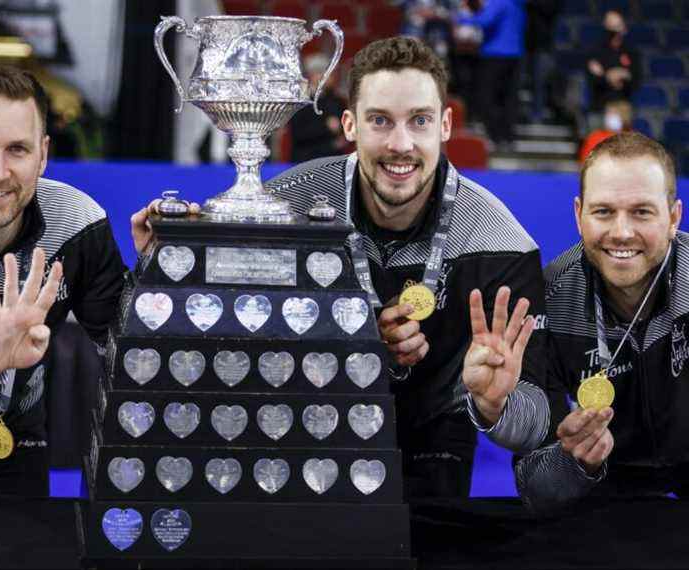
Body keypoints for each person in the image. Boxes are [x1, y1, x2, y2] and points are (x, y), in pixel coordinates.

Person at [266, 36, 550, 500]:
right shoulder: (287, 206)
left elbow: (533, 427)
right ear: (349, 125)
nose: (401, 144)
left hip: (433, 443)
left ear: (445, 125)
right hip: (307, 424)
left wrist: (496, 405)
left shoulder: (502, 244)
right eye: (380, 120)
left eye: (419, 121)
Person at [0, 63, 147, 497]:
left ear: (43, 154)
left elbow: (132, 355)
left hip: (9, 424)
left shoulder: (77, 222)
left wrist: (156, 276)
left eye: (17, 150)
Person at [516, 132, 685, 513]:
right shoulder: (548, 302)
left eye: (642, 211)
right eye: (604, 211)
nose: (622, 232)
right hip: (603, 504)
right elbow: (535, 489)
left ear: (674, 216)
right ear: (579, 215)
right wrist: (573, 461)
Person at [455, 0, 526, 150]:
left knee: (485, 96)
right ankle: (508, 137)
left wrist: (460, 17)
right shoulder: (518, 4)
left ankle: (495, 135)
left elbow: (485, 20)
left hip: (495, 54)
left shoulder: (499, 2)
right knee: (508, 98)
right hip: (515, 53)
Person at [586, 10, 641, 113]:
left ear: (624, 29)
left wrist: (624, 75)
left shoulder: (631, 52)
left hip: (623, 108)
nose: (614, 35)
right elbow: (592, 79)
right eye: (611, 32)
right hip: (600, 108)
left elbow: (636, 80)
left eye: (617, 30)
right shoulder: (595, 51)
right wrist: (609, 77)